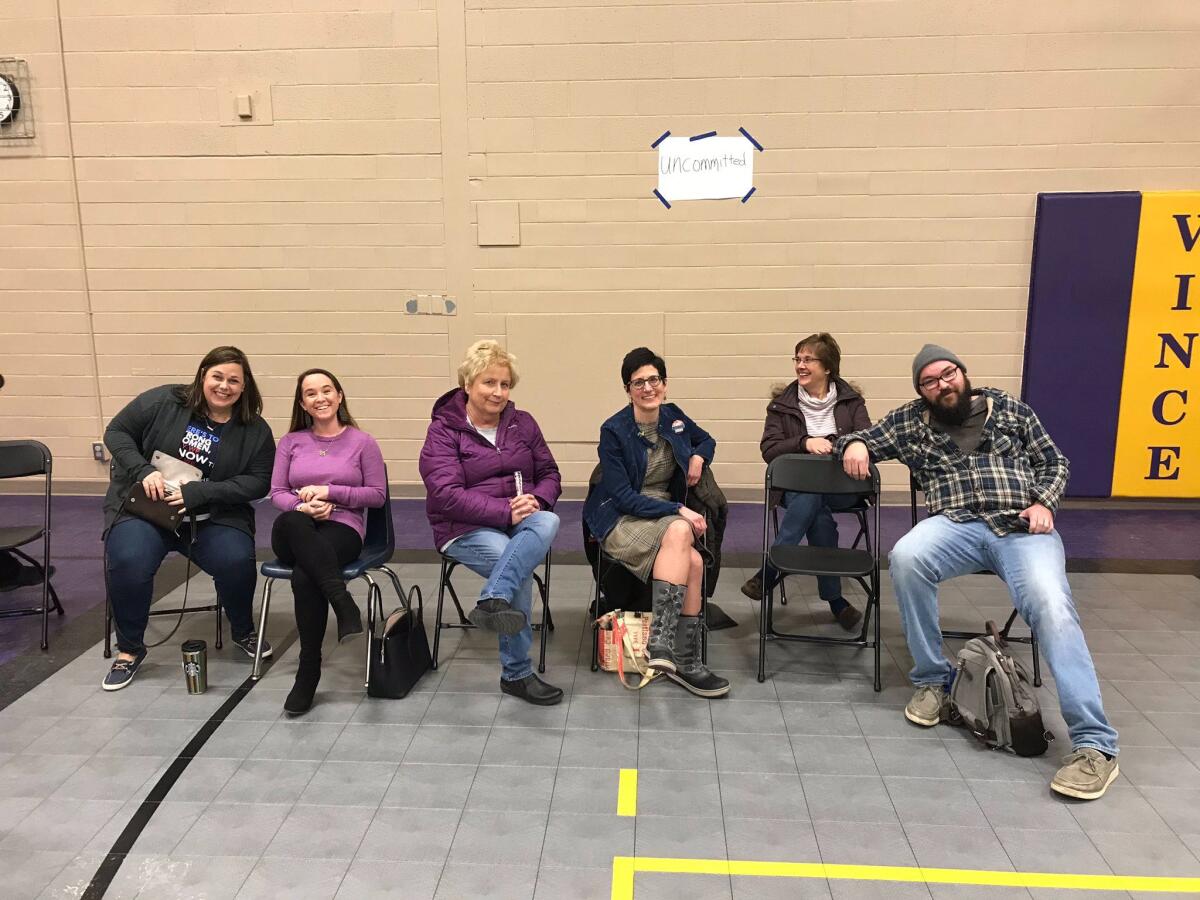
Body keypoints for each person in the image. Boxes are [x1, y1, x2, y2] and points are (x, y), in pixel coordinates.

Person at [837, 343, 1120, 800]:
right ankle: (934, 682)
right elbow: (863, 438)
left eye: (947, 374)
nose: (941, 385)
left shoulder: (1011, 409)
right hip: (956, 525)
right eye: (929, 382)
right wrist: (852, 443)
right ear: (921, 391)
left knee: (1052, 606)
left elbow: (1055, 462)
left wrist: (1043, 503)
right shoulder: (912, 422)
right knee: (907, 557)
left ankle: (1094, 746)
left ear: (963, 373)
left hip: (1022, 526)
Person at [101, 346, 275, 691]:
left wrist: (202, 493)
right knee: (128, 559)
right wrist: (142, 469)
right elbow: (116, 432)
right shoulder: (164, 401)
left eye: (234, 381)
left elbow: (258, 481)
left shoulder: (254, 429)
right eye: (217, 377)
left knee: (237, 559)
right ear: (202, 375)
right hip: (146, 511)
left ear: (244, 387)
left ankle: (243, 631)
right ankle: (130, 650)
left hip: (211, 516)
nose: (224, 386)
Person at [419, 340, 564, 706]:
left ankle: (491, 598)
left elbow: (549, 472)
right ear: (467, 384)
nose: (498, 392)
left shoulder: (523, 423)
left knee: (547, 521)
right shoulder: (443, 432)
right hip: (462, 528)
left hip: (520, 521)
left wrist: (539, 498)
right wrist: (503, 513)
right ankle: (516, 673)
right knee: (512, 559)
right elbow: (445, 494)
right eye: (489, 383)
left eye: (504, 384)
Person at [583, 347, 730, 698]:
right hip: (620, 518)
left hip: (663, 517)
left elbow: (707, 439)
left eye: (654, 380)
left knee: (694, 560)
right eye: (638, 382)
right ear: (628, 389)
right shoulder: (614, 430)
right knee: (682, 530)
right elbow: (622, 497)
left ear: (664, 384)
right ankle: (666, 647)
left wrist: (698, 455)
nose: (648, 388)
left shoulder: (673, 417)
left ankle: (683, 661)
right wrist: (679, 510)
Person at [269, 369, 386, 715]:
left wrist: (330, 493)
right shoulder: (290, 442)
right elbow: (277, 493)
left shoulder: (362, 442)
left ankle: (308, 671)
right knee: (291, 520)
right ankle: (341, 599)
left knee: (307, 575)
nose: (320, 398)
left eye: (326, 391)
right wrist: (302, 505)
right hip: (295, 527)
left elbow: (376, 496)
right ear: (302, 403)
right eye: (310, 393)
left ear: (339, 396)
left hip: (343, 527)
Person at [742, 333, 870, 630]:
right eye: (797, 359)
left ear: (827, 367)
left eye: (808, 359)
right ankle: (835, 600)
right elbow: (769, 449)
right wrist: (804, 443)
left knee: (811, 499)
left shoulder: (851, 402)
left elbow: (868, 439)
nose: (800, 365)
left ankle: (768, 573)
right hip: (797, 488)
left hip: (843, 488)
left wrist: (839, 444)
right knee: (813, 505)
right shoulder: (781, 405)